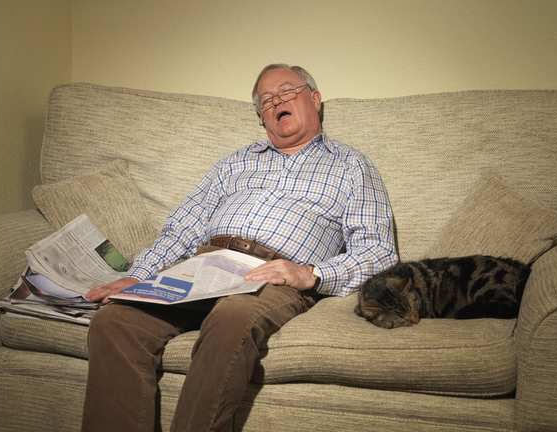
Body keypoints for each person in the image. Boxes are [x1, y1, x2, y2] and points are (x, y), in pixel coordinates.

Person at [80, 64, 398, 432]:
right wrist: (135, 277)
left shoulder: (352, 166)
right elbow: (183, 227)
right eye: (266, 100)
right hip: (201, 267)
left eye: (286, 91)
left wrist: (310, 274)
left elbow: (378, 251)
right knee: (114, 321)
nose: (276, 101)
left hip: (270, 276)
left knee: (232, 316)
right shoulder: (236, 162)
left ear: (314, 98)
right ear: (262, 119)